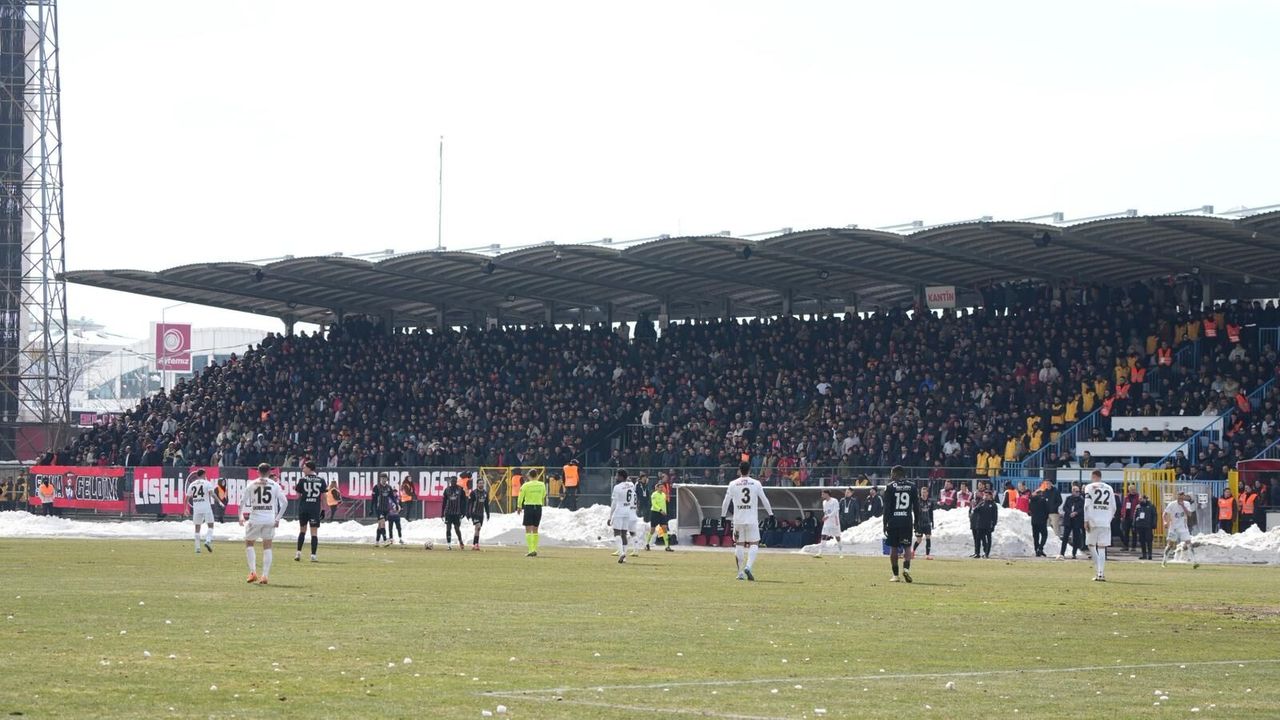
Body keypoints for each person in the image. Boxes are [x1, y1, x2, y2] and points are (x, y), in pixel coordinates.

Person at [720, 460, 774, 581]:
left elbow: (726, 501)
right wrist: (771, 514)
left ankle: (740, 573)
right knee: (754, 543)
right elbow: (764, 499)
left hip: (738, 520)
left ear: (739, 470)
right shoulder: (756, 483)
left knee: (739, 544)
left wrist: (723, 516)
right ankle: (748, 567)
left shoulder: (733, 484)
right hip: (751, 519)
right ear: (750, 470)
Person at [239, 464, 287, 585]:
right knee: (267, 546)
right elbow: (285, 502)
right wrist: (277, 519)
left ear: (258, 472)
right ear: (269, 472)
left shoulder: (251, 484)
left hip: (255, 518)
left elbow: (242, 502)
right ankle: (265, 576)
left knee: (249, 543)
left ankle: (253, 572)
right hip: (269, 519)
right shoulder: (274, 485)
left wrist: (240, 516)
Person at [883, 466, 917, 582]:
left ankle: (895, 575)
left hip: (894, 521)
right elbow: (916, 507)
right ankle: (906, 570)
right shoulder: (912, 486)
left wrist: (885, 523)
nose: (891, 475)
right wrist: (917, 522)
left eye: (892, 473)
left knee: (894, 548)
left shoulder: (890, 487)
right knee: (907, 547)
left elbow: (886, 508)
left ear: (896, 474)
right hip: (907, 520)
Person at [1082, 470, 1116, 581]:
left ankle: (1098, 571)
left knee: (1091, 545)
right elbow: (1114, 507)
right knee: (1102, 547)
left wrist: (1086, 520)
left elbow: (1086, 505)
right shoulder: (1109, 488)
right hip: (1105, 522)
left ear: (1094, 476)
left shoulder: (1089, 487)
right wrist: (1108, 519)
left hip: (1093, 520)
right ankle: (1100, 573)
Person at [293, 460, 326, 562]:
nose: (303, 469)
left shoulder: (302, 480)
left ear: (309, 468)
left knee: (302, 531)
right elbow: (323, 496)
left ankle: (298, 553)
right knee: (314, 533)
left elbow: (297, 496)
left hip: (304, 508)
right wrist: (323, 509)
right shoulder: (321, 480)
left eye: (304, 467)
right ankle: (313, 555)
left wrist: (297, 489)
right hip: (314, 509)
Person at [1161, 490, 1199, 569]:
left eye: (1182, 497)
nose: (1180, 499)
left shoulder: (1187, 504)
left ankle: (1194, 562)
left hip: (1183, 527)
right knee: (1170, 545)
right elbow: (1164, 514)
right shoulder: (1172, 504)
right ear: (1177, 496)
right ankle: (1164, 561)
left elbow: (1189, 514)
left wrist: (1183, 506)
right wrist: (1165, 522)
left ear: (1184, 497)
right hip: (1173, 528)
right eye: (1179, 497)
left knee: (1189, 543)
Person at [516, 468, 547, 557]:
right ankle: (535, 549)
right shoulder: (542, 485)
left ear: (529, 476)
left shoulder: (526, 485)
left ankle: (531, 550)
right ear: (537, 475)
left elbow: (521, 496)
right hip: (538, 507)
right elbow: (544, 495)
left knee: (528, 529)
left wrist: (519, 506)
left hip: (529, 507)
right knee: (535, 529)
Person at [185, 468, 216, 554]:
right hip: (206, 507)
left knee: (197, 528)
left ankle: (197, 548)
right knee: (210, 525)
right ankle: (208, 541)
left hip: (197, 508)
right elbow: (212, 494)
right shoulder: (207, 483)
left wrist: (185, 509)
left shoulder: (192, 484)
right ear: (203, 475)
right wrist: (219, 501)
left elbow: (187, 498)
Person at [609, 470, 637, 563]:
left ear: (621, 477)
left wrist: (610, 516)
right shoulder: (631, 485)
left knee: (617, 533)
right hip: (628, 512)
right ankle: (624, 557)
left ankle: (621, 553)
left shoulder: (617, 487)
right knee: (624, 534)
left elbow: (614, 503)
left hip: (619, 511)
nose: (616, 477)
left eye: (617, 476)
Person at [1058, 483, 1085, 560]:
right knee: (1065, 537)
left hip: (1076, 521)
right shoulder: (1068, 498)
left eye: (1078, 491)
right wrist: (1070, 512)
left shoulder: (1081, 500)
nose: (1078, 493)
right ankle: (1062, 553)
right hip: (1068, 520)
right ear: (1072, 492)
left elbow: (1082, 509)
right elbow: (1065, 507)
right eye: (1076, 491)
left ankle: (1074, 553)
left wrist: (1076, 512)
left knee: (1076, 537)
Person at [645, 477, 673, 552]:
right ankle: (647, 544)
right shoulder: (654, 495)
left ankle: (667, 546)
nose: (661, 488)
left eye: (662, 487)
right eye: (660, 487)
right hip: (655, 513)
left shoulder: (663, 494)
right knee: (652, 530)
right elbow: (654, 504)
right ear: (656, 488)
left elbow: (664, 504)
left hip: (662, 513)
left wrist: (665, 511)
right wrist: (660, 510)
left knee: (664, 528)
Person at [814, 488, 843, 558]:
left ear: (827, 494)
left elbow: (836, 511)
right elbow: (825, 512)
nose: (822, 495)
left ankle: (841, 552)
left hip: (834, 522)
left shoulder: (834, 501)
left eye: (823, 494)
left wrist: (828, 516)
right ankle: (820, 552)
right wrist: (825, 517)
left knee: (837, 537)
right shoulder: (824, 502)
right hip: (827, 522)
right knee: (823, 535)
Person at [971, 488, 998, 559]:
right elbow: (975, 510)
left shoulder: (993, 505)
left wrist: (993, 524)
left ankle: (986, 553)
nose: (985, 496)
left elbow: (995, 516)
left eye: (987, 495)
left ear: (990, 496)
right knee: (978, 539)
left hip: (988, 525)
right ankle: (977, 553)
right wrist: (975, 505)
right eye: (984, 495)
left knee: (988, 540)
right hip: (980, 525)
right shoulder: (982, 503)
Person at [441, 476, 467, 550]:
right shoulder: (447, 490)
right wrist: (442, 513)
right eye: (452, 481)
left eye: (454, 481)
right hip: (448, 512)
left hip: (457, 513)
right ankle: (449, 545)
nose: (453, 482)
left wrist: (463, 512)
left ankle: (460, 541)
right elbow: (444, 502)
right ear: (450, 482)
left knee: (457, 528)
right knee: (448, 528)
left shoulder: (460, 489)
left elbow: (464, 501)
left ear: (456, 481)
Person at [464, 472, 488, 550]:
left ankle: (474, 544)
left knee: (478, 529)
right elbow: (469, 503)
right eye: (480, 483)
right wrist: (468, 513)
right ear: (477, 484)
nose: (481, 484)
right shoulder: (473, 493)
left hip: (481, 514)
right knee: (478, 526)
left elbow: (486, 504)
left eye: (482, 483)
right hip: (474, 513)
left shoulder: (485, 493)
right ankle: (476, 544)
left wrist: (488, 513)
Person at [912, 484, 936, 560]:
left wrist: (932, 521)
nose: (923, 493)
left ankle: (927, 555)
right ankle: (912, 552)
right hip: (919, 523)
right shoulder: (917, 501)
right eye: (922, 492)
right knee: (919, 540)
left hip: (927, 523)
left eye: (925, 492)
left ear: (927, 493)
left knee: (928, 537)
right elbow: (915, 512)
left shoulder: (930, 502)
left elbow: (931, 512)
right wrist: (915, 523)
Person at [371, 473, 394, 546]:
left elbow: (392, 497)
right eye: (382, 478)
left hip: (386, 509)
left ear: (387, 479)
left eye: (385, 478)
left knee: (380, 525)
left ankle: (377, 542)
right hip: (379, 508)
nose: (384, 479)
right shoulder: (376, 487)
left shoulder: (389, 487)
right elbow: (373, 499)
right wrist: (371, 508)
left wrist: (396, 504)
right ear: (380, 479)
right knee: (383, 523)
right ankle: (385, 540)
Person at [1132, 494, 1156, 560]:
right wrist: (1134, 525)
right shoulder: (1138, 506)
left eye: (1141, 499)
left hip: (1148, 526)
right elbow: (1135, 516)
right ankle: (1144, 555)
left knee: (1149, 540)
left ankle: (1150, 554)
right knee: (1142, 541)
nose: (1140, 500)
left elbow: (1154, 515)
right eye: (1139, 499)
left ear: (1145, 499)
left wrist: (1154, 524)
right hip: (1140, 525)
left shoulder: (1151, 506)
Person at [1029, 488, 1051, 557]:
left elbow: (1030, 510)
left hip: (1034, 521)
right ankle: (1040, 548)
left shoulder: (1031, 500)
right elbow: (1047, 510)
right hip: (1042, 521)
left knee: (1036, 536)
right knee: (1044, 535)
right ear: (1041, 494)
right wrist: (1045, 518)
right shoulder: (1043, 500)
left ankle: (1036, 550)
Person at [1119, 485, 1141, 551]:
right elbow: (1123, 507)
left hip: (1134, 517)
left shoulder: (1138, 497)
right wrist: (1122, 515)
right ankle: (1126, 546)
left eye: (1134, 489)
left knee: (1134, 532)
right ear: (1129, 490)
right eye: (1131, 489)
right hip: (1126, 517)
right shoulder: (1126, 497)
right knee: (1126, 532)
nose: (1133, 491)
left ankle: (1133, 547)